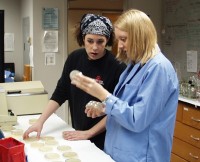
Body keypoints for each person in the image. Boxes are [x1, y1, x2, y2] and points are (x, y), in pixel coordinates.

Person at [70, 9, 179, 162]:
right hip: (119, 153)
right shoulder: (135, 65)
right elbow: (126, 106)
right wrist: (104, 108)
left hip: (141, 156)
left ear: (139, 37)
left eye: (123, 39)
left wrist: (103, 95)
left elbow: (137, 119)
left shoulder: (158, 69)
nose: (119, 46)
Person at [23, 13, 126, 150]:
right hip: (78, 132)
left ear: (107, 40)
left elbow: (117, 111)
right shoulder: (74, 58)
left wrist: (88, 133)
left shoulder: (117, 66)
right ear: (83, 38)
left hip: (105, 137)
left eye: (100, 41)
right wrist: (40, 122)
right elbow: (60, 93)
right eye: (90, 41)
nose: (94, 47)